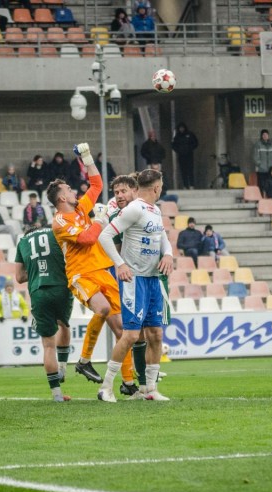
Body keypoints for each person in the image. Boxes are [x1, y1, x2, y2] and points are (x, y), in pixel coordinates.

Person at [48, 143, 123, 385]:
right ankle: (84, 360)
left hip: (102, 270)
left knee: (123, 330)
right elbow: (87, 239)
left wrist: (88, 158)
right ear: (62, 197)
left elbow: (97, 185)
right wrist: (99, 220)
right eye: (69, 189)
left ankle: (130, 383)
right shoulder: (60, 221)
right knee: (102, 309)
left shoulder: (80, 209)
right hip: (81, 275)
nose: (73, 191)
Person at [97, 168, 173, 402]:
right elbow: (104, 236)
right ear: (157, 187)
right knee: (130, 335)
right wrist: (120, 264)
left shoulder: (155, 210)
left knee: (156, 334)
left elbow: (163, 239)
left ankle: (150, 390)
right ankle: (106, 387)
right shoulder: (134, 209)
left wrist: (168, 254)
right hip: (135, 280)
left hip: (153, 279)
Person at [15, 226, 73, 402]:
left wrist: (35, 271)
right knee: (64, 324)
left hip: (39, 291)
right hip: (61, 287)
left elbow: (19, 277)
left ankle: (57, 395)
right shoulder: (55, 233)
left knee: (48, 345)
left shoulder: (23, 242)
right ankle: (62, 368)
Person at [172, 123, 199, 189]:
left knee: (190, 170)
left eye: (182, 128)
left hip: (189, 155)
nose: (181, 129)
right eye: (180, 128)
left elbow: (195, 143)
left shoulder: (190, 134)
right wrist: (179, 150)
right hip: (181, 156)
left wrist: (190, 148)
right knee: (183, 171)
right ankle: (185, 185)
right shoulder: (177, 136)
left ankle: (191, 185)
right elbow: (173, 145)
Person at [253, 129, 272, 195]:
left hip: (270, 170)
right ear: (261, 136)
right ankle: (261, 197)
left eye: (266, 134)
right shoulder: (258, 144)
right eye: (263, 135)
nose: (265, 136)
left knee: (269, 184)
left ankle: (268, 197)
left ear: (268, 136)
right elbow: (255, 157)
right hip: (261, 170)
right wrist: (260, 164)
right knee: (261, 184)